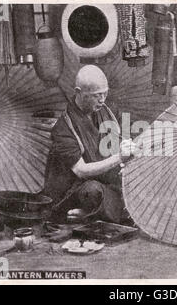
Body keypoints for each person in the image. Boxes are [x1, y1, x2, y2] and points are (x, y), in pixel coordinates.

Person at [43, 65, 137, 224]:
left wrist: (129, 147)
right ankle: (93, 213)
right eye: (96, 95)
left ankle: (91, 214)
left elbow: (126, 135)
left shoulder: (110, 110)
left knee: (136, 185)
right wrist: (120, 157)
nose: (102, 100)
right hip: (75, 189)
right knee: (92, 191)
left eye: (105, 93)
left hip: (107, 180)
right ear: (78, 92)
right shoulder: (63, 128)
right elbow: (81, 171)